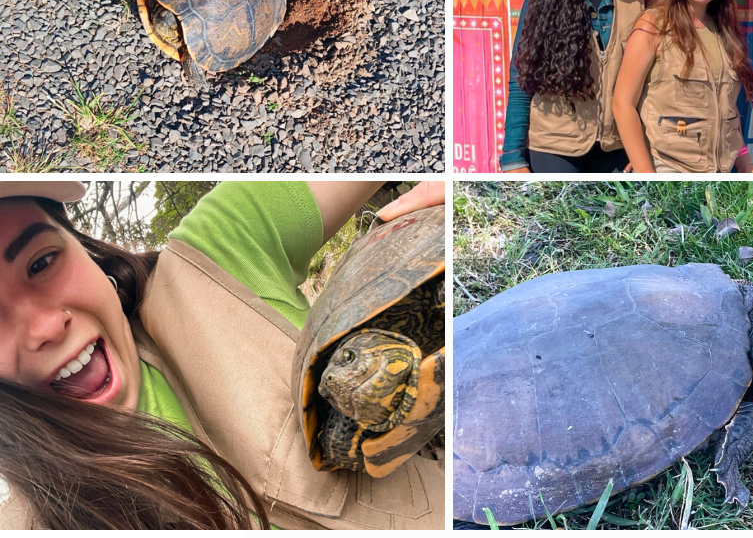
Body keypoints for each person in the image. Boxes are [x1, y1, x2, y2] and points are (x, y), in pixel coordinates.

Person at [0, 179, 444, 529]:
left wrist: (454, 190)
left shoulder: (213, 258)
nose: (44, 327)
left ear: (86, 251)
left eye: (42, 263)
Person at [499, 0, 658, 173]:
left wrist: (641, 147)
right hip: (553, 146)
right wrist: (512, 157)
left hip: (617, 148)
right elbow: (521, 80)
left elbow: (647, 84)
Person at [613, 0, 753, 173]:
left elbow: (728, 113)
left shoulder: (725, 34)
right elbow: (622, 103)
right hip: (668, 172)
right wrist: (648, 177)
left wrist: (747, 166)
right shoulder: (654, 24)